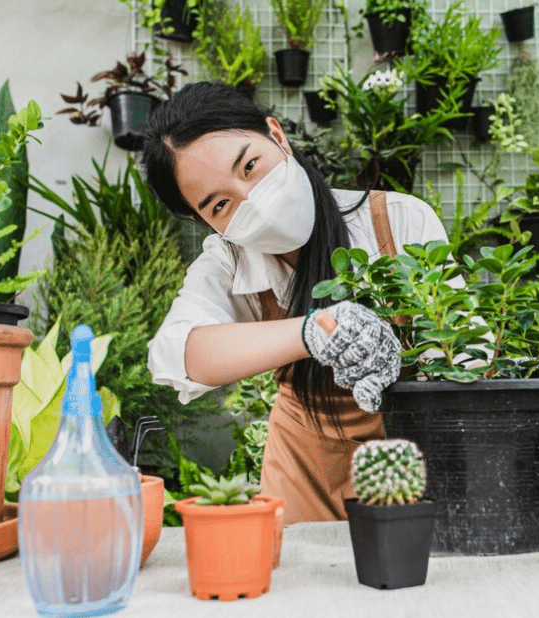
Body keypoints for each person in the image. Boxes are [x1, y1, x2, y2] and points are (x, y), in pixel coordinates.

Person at [141, 82, 446, 524]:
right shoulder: (230, 260)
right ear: (201, 220)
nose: (252, 201)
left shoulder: (398, 221)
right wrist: (314, 330)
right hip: (302, 478)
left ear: (276, 135)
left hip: (409, 467)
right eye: (221, 204)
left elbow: (460, 355)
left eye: (250, 165)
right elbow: (179, 354)